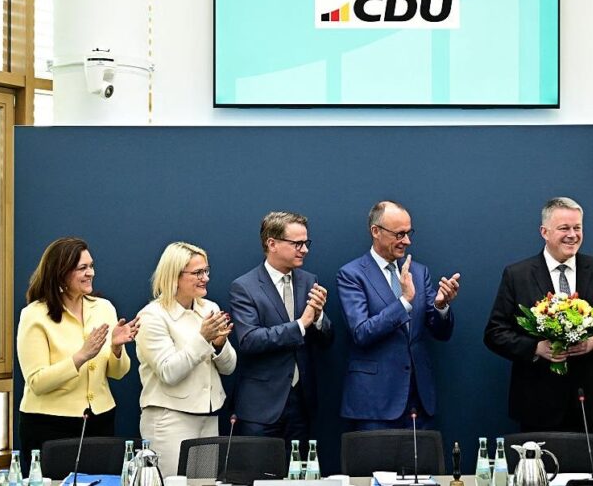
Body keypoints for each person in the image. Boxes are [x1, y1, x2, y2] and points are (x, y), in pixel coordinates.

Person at [483, 197, 593, 436]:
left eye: (577, 228)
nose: (572, 235)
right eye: (564, 228)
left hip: (590, 404)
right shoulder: (517, 275)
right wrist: (536, 348)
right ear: (544, 232)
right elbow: (495, 333)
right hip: (537, 404)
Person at [337, 200, 461, 430]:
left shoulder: (419, 272)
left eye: (408, 233)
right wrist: (404, 302)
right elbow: (361, 332)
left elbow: (441, 333)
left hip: (418, 401)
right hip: (375, 402)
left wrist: (441, 306)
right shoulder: (352, 274)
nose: (407, 241)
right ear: (376, 231)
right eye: (399, 234)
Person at [17, 237, 137, 462]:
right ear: (61, 272)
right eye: (82, 268)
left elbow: (118, 373)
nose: (91, 273)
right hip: (49, 424)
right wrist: (81, 356)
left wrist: (116, 348)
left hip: (100, 419)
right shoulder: (34, 315)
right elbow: (37, 382)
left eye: (91, 266)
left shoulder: (104, 308)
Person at [229, 211, 332, 454]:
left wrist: (319, 318)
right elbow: (249, 340)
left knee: (300, 471)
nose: (304, 250)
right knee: (259, 471)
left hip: (301, 404)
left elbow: (327, 340)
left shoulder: (309, 280)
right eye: (297, 243)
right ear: (272, 243)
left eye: (306, 243)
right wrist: (301, 324)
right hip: (261, 407)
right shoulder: (244, 287)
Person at [135, 241, 237, 477]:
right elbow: (168, 372)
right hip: (170, 420)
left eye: (206, 271)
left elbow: (229, 368)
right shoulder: (152, 316)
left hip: (208, 417)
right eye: (197, 273)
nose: (205, 278)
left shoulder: (209, 308)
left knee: (205, 483)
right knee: (173, 482)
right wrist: (203, 338)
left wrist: (220, 344)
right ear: (174, 276)